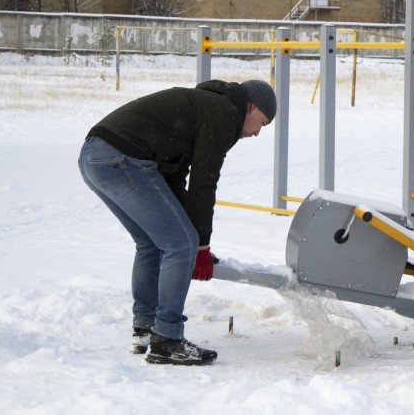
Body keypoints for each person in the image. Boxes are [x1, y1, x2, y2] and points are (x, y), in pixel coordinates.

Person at [78, 79, 277, 366]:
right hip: (123, 158)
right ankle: (167, 340)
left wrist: (197, 239)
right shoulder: (225, 113)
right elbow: (203, 182)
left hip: (95, 156)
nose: (257, 132)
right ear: (252, 106)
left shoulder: (206, 105)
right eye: (262, 123)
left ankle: (145, 330)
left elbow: (174, 176)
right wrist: (199, 245)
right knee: (180, 244)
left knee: (151, 242)